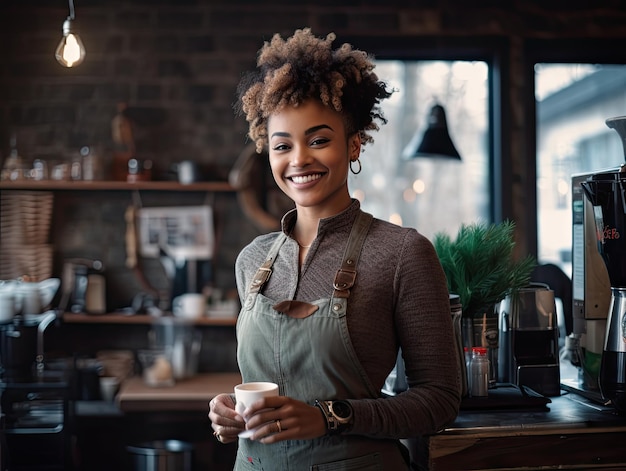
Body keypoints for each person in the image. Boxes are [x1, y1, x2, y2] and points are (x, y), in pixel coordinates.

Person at [208, 28, 460, 470]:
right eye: (283, 145)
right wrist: (229, 411)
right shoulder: (252, 260)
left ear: (354, 144)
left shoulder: (402, 253)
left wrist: (330, 416)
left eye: (319, 140)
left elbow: (438, 401)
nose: (299, 159)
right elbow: (271, 385)